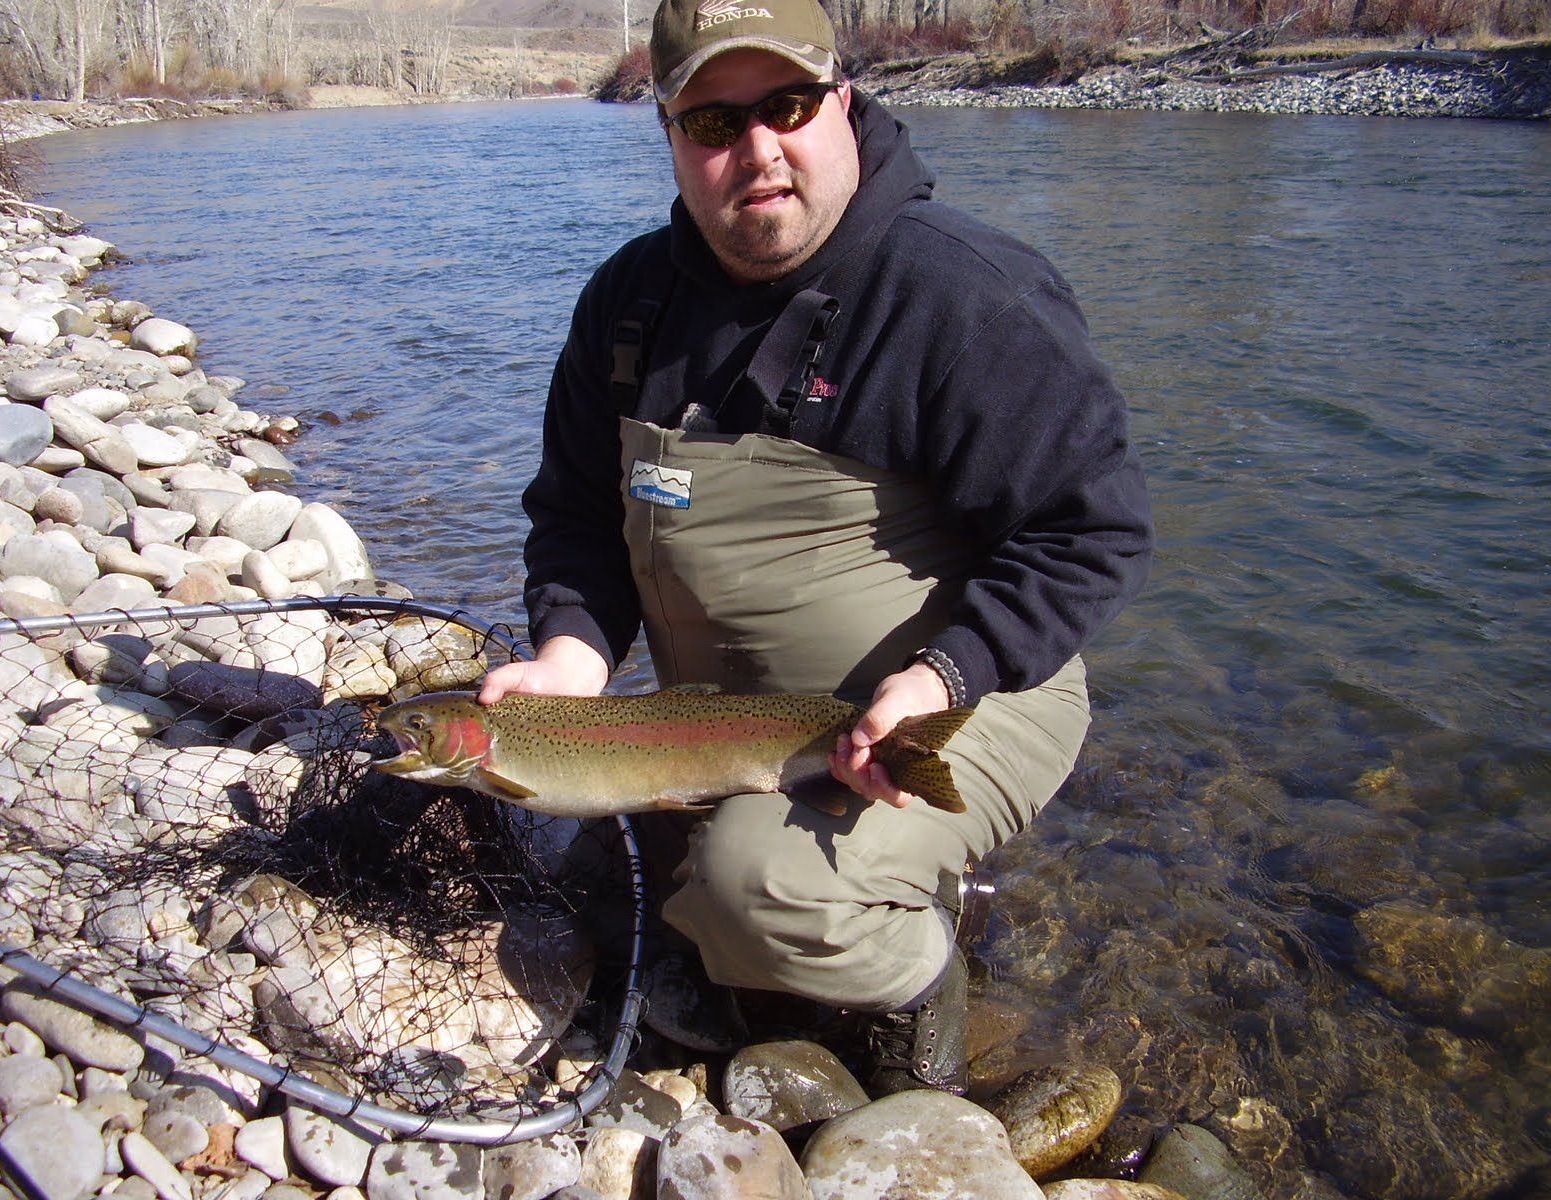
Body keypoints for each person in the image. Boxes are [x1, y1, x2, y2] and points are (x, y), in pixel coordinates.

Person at [480, 0, 1153, 1095]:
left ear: (842, 101)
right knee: (582, 858)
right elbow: (576, 520)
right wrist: (569, 657)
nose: (756, 150)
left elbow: (1092, 533)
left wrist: (947, 672)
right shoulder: (626, 303)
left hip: (966, 691)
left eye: (786, 104)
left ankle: (920, 971)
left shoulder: (962, 295)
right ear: (668, 133)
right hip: (725, 721)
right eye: (711, 121)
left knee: (760, 893)